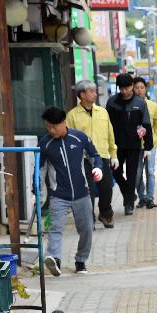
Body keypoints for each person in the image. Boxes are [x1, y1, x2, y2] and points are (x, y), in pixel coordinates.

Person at [39, 107, 101, 276]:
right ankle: (54, 259)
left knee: (87, 229)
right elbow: (41, 168)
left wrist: (98, 169)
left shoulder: (79, 137)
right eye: (48, 127)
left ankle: (81, 261)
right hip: (58, 194)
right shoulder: (45, 143)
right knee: (55, 228)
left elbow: (95, 155)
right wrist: (37, 187)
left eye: (54, 127)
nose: (51, 130)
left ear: (63, 122)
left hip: (82, 193)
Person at [66, 80, 118, 228]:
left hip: (101, 156)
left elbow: (110, 134)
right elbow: (69, 139)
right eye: (92, 91)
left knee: (106, 188)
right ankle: (89, 219)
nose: (95, 94)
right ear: (82, 94)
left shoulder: (103, 112)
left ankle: (106, 214)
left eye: (95, 91)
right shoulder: (72, 116)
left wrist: (113, 154)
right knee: (87, 189)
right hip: (82, 158)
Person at [105, 73, 153, 215]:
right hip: (116, 145)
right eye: (121, 88)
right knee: (116, 172)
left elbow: (146, 124)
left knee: (132, 175)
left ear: (131, 86)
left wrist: (148, 146)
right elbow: (106, 124)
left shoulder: (139, 103)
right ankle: (128, 193)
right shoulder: (112, 102)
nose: (124, 91)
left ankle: (129, 204)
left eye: (127, 88)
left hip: (134, 145)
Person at [132, 77, 157, 209]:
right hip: (135, 146)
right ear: (133, 89)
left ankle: (150, 198)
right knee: (137, 173)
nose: (139, 90)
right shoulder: (130, 105)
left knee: (150, 171)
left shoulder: (153, 106)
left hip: (150, 145)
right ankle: (141, 197)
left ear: (146, 89)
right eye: (136, 87)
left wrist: (156, 139)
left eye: (142, 87)